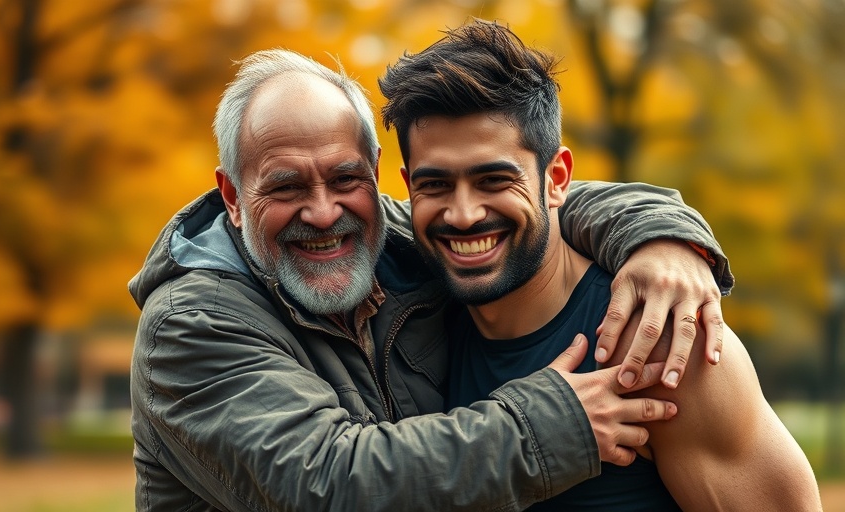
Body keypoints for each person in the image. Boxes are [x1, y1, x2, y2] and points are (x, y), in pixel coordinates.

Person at [129, 48, 734, 511]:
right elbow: (327, 484)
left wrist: (661, 239)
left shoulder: (394, 241)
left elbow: (522, 207)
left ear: (375, 178)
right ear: (232, 195)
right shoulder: (190, 325)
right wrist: (552, 425)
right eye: (286, 187)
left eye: (344, 180)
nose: (321, 212)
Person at [380, 20, 821, 510]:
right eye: (435, 185)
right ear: (408, 185)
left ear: (556, 179)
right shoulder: (409, 325)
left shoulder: (658, 339)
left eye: (493, 180)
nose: (462, 215)